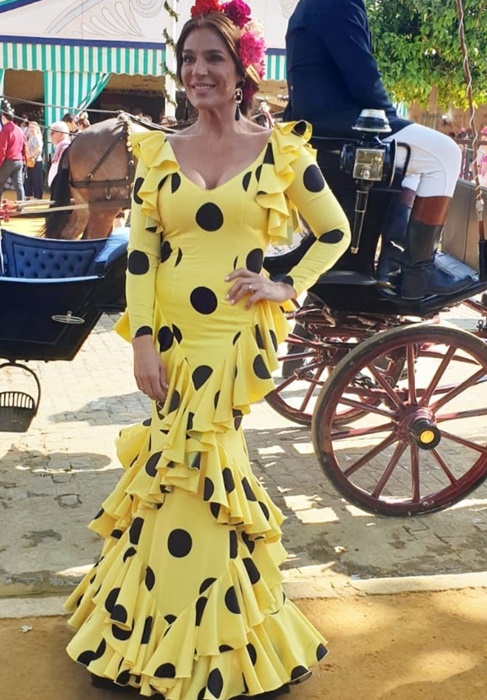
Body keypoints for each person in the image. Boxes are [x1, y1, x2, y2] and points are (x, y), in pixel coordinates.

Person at [64, 1, 351, 698]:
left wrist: (285, 286)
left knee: (204, 465)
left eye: (212, 58)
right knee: (170, 471)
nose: (198, 71)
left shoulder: (281, 151)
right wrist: (138, 341)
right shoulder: (156, 152)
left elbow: (334, 232)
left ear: (240, 69)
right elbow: (140, 255)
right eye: (188, 59)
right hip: (168, 334)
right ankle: (158, 630)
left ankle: (209, 642)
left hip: (230, 340)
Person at [284, 0, 471, 299]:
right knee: (446, 153)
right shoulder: (337, 4)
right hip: (344, 128)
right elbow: (364, 78)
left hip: (325, 128)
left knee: (417, 156)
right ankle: (418, 272)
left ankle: (393, 259)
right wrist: (392, 120)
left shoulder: (311, 6)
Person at [0, 104, 26, 202]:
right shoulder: (19, 129)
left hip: (9, 160)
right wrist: (23, 158)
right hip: (18, 160)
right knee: (19, 185)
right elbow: (24, 144)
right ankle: (21, 207)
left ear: (3, 117)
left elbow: (2, 149)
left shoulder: (5, 130)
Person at [47, 121, 71, 194]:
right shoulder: (60, 146)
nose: (50, 135)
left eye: (52, 132)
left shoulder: (65, 147)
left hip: (60, 187)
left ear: (61, 133)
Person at [24, 121, 44, 199]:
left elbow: (38, 150)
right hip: (30, 162)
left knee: (36, 180)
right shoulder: (31, 137)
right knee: (29, 178)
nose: (31, 129)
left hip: (36, 161)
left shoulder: (37, 137)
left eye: (33, 127)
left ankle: (37, 196)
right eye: (30, 127)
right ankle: (29, 194)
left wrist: (30, 156)